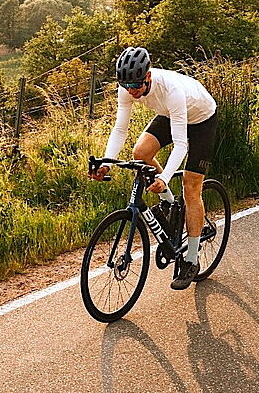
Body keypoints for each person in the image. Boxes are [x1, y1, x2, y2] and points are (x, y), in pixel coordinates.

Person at [90, 47, 219, 290]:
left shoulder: (171, 90)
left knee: (191, 187)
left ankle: (191, 259)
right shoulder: (127, 88)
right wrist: (107, 163)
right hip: (170, 115)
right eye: (126, 85)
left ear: (148, 76)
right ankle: (169, 202)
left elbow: (181, 145)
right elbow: (120, 129)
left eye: (136, 84)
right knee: (140, 153)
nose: (132, 91)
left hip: (202, 119)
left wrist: (165, 176)